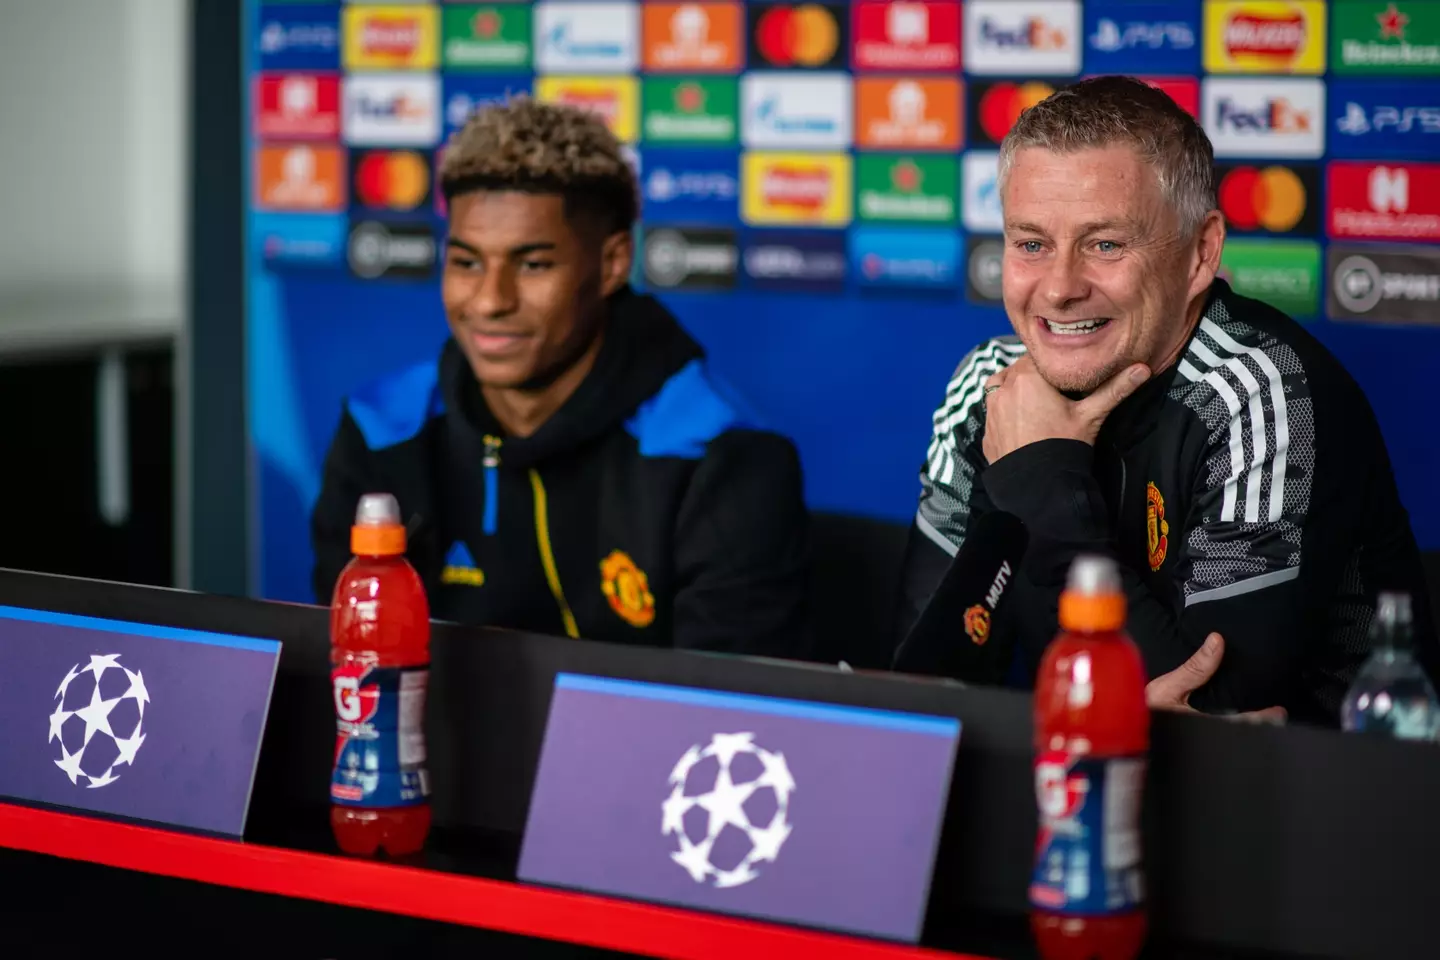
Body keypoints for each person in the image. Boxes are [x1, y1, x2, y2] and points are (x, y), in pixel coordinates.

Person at [895, 75, 1437, 726]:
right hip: (1080, 785)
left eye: (1105, 245)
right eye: (1032, 243)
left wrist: (1040, 477)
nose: (1060, 287)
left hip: (1323, 811)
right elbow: (922, 689)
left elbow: (1213, 721)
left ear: (1200, 254)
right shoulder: (987, 385)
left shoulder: (1261, 390)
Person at [311, 96, 811, 658]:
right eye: (467, 262)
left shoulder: (722, 456)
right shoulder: (382, 429)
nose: (490, 301)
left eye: (533, 265)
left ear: (613, 263)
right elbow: (352, 671)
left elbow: (724, 720)